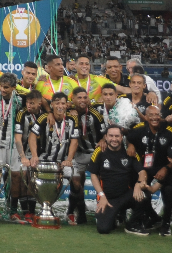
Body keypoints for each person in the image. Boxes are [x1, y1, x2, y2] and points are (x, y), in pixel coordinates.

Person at [88, 125, 151, 235]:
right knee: (103, 229)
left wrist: (138, 184)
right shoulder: (99, 151)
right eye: (111, 136)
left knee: (144, 193)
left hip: (125, 196)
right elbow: (93, 175)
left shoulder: (129, 152)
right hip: (107, 199)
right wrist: (101, 195)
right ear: (106, 137)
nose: (114, 139)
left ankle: (132, 224)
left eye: (117, 136)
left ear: (122, 137)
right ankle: (116, 215)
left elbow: (142, 172)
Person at [27, 93, 79, 210]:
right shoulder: (43, 118)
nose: (60, 106)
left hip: (63, 160)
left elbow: (74, 141)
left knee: (76, 181)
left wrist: (69, 160)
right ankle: (31, 212)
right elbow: (32, 137)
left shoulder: (72, 119)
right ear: (52, 105)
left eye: (63, 103)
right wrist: (34, 156)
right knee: (31, 176)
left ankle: (71, 212)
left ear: (67, 105)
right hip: (45, 159)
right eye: (57, 103)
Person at [66, 87, 105, 225]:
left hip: (95, 153)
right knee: (76, 183)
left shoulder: (95, 113)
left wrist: (103, 139)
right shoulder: (67, 113)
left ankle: (103, 211)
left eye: (85, 97)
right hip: (77, 154)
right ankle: (78, 212)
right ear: (73, 99)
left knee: (101, 181)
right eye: (79, 98)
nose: (83, 100)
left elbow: (105, 131)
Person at [0, 73, 26, 220]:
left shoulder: (20, 101)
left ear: (14, 88)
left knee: (15, 176)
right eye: (1, 86)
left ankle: (13, 209)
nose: (3, 90)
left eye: (6, 87)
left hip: (14, 143)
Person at [14, 90, 44, 223]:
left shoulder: (46, 115)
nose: (29, 105)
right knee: (22, 177)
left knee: (33, 179)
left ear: (40, 103)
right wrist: (23, 156)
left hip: (40, 153)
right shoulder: (21, 114)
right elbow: (18, 137)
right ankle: (21, 211)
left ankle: (32, 211)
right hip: (23, 151)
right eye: (27, 102)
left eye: (32, 103)